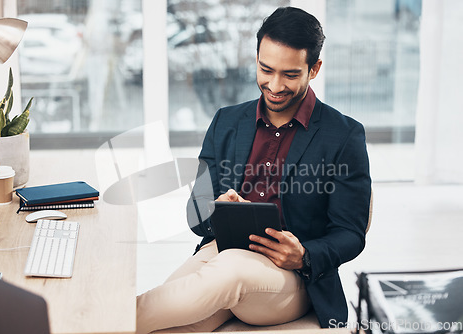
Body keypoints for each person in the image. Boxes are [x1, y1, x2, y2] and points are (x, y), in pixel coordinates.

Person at [137, 6, 371, 333]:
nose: (274, 85)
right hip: (221, 252)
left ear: (314, 69)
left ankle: (90, 319)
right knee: (162, 325)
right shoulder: (227, 121)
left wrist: (303, 255)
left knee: (227, 271)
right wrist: (218, 206)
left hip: (292, 277)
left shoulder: (343, 135)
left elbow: (351, 233)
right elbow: (196, 214)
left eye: (290, 74)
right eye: (266, 69)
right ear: (257, 59)